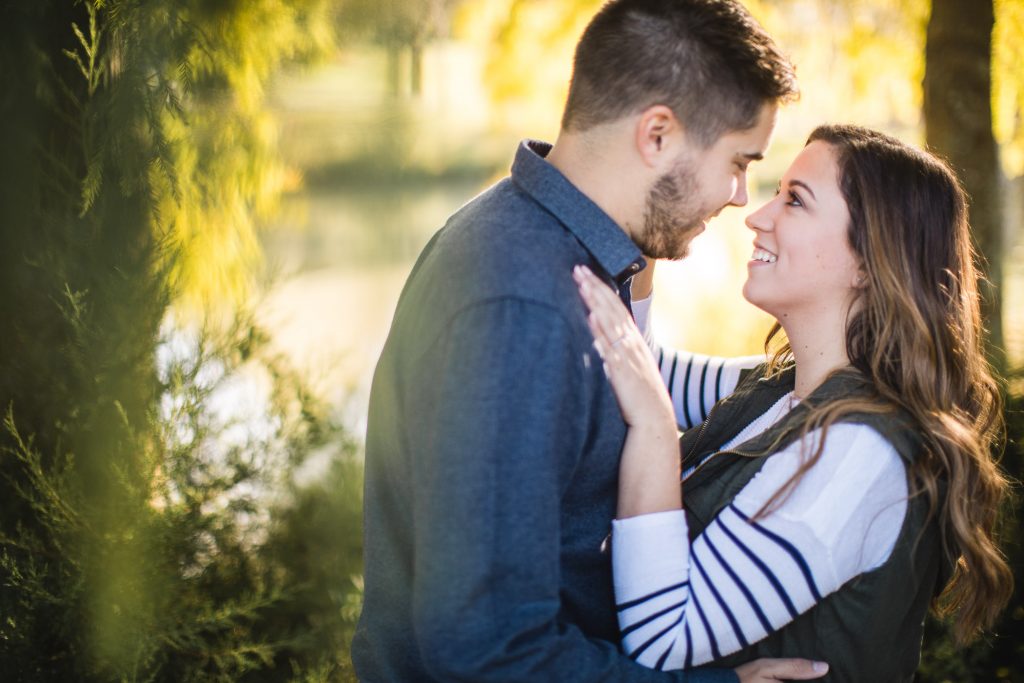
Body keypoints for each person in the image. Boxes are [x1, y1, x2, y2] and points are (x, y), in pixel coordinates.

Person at [351, 0, 835, 680]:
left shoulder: (562, 256)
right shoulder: (522, 306)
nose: (737, 196)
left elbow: (647, 378)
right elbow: (486, 648)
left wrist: (838, 368)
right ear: (658, 135)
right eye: (738, 161)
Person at [575, 124, 1013, 680]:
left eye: (795, 201)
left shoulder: (857, 454)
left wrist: (657, 434)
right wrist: (644, 234)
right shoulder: (789, 388)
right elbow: (642, 375)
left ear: (868, 263)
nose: (756, 216)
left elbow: (662, 637)